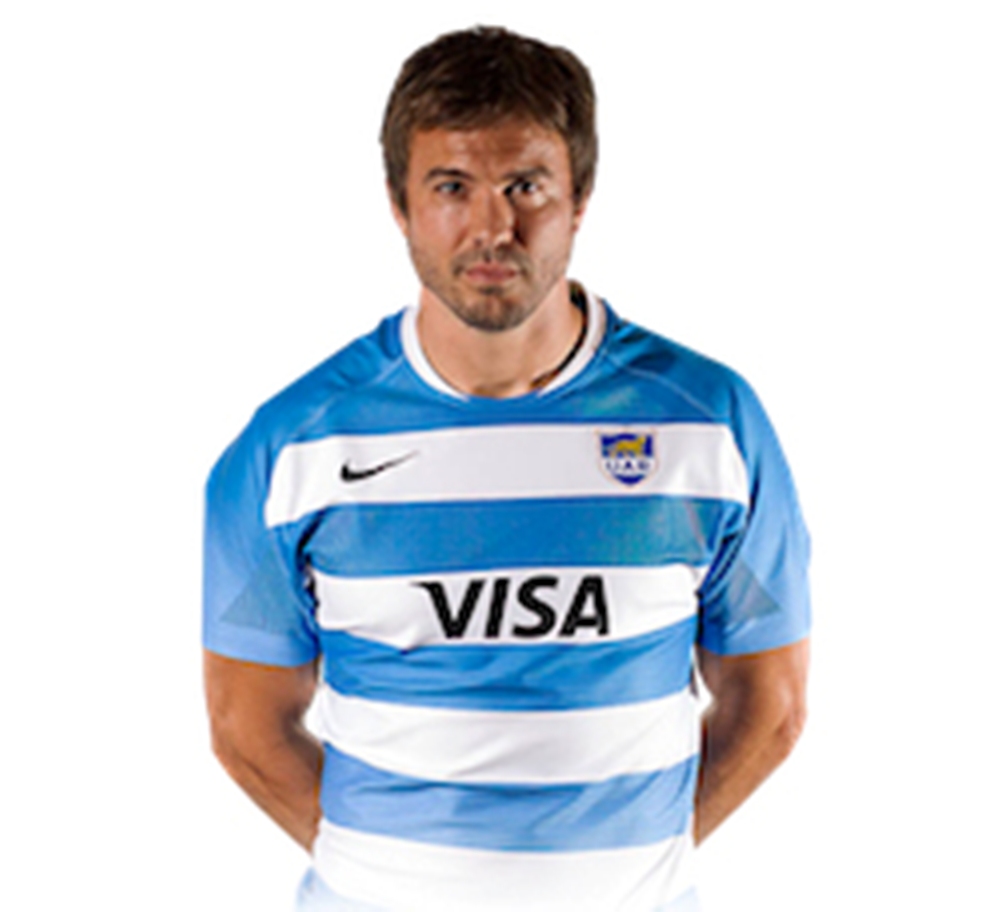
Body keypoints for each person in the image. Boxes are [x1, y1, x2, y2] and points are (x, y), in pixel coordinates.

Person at [203, 26, 810, 912]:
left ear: (580, 196)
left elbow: (771, 702)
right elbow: (243, 725)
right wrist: (389, 874)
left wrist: (633, 870)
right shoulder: (291, 447)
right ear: (399, 203)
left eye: (526, 186)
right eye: (451, 187)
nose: (492, 228)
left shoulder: (710, 425)